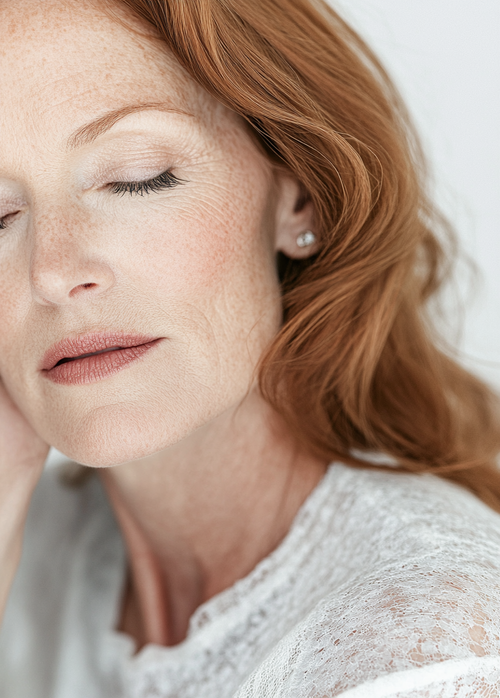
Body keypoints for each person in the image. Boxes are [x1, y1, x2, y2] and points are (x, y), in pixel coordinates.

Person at [1, 0, 500, 696]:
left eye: (137, 176)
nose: (53, 271)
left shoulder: (422, 646)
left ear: (298, 196)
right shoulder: (31, 551)